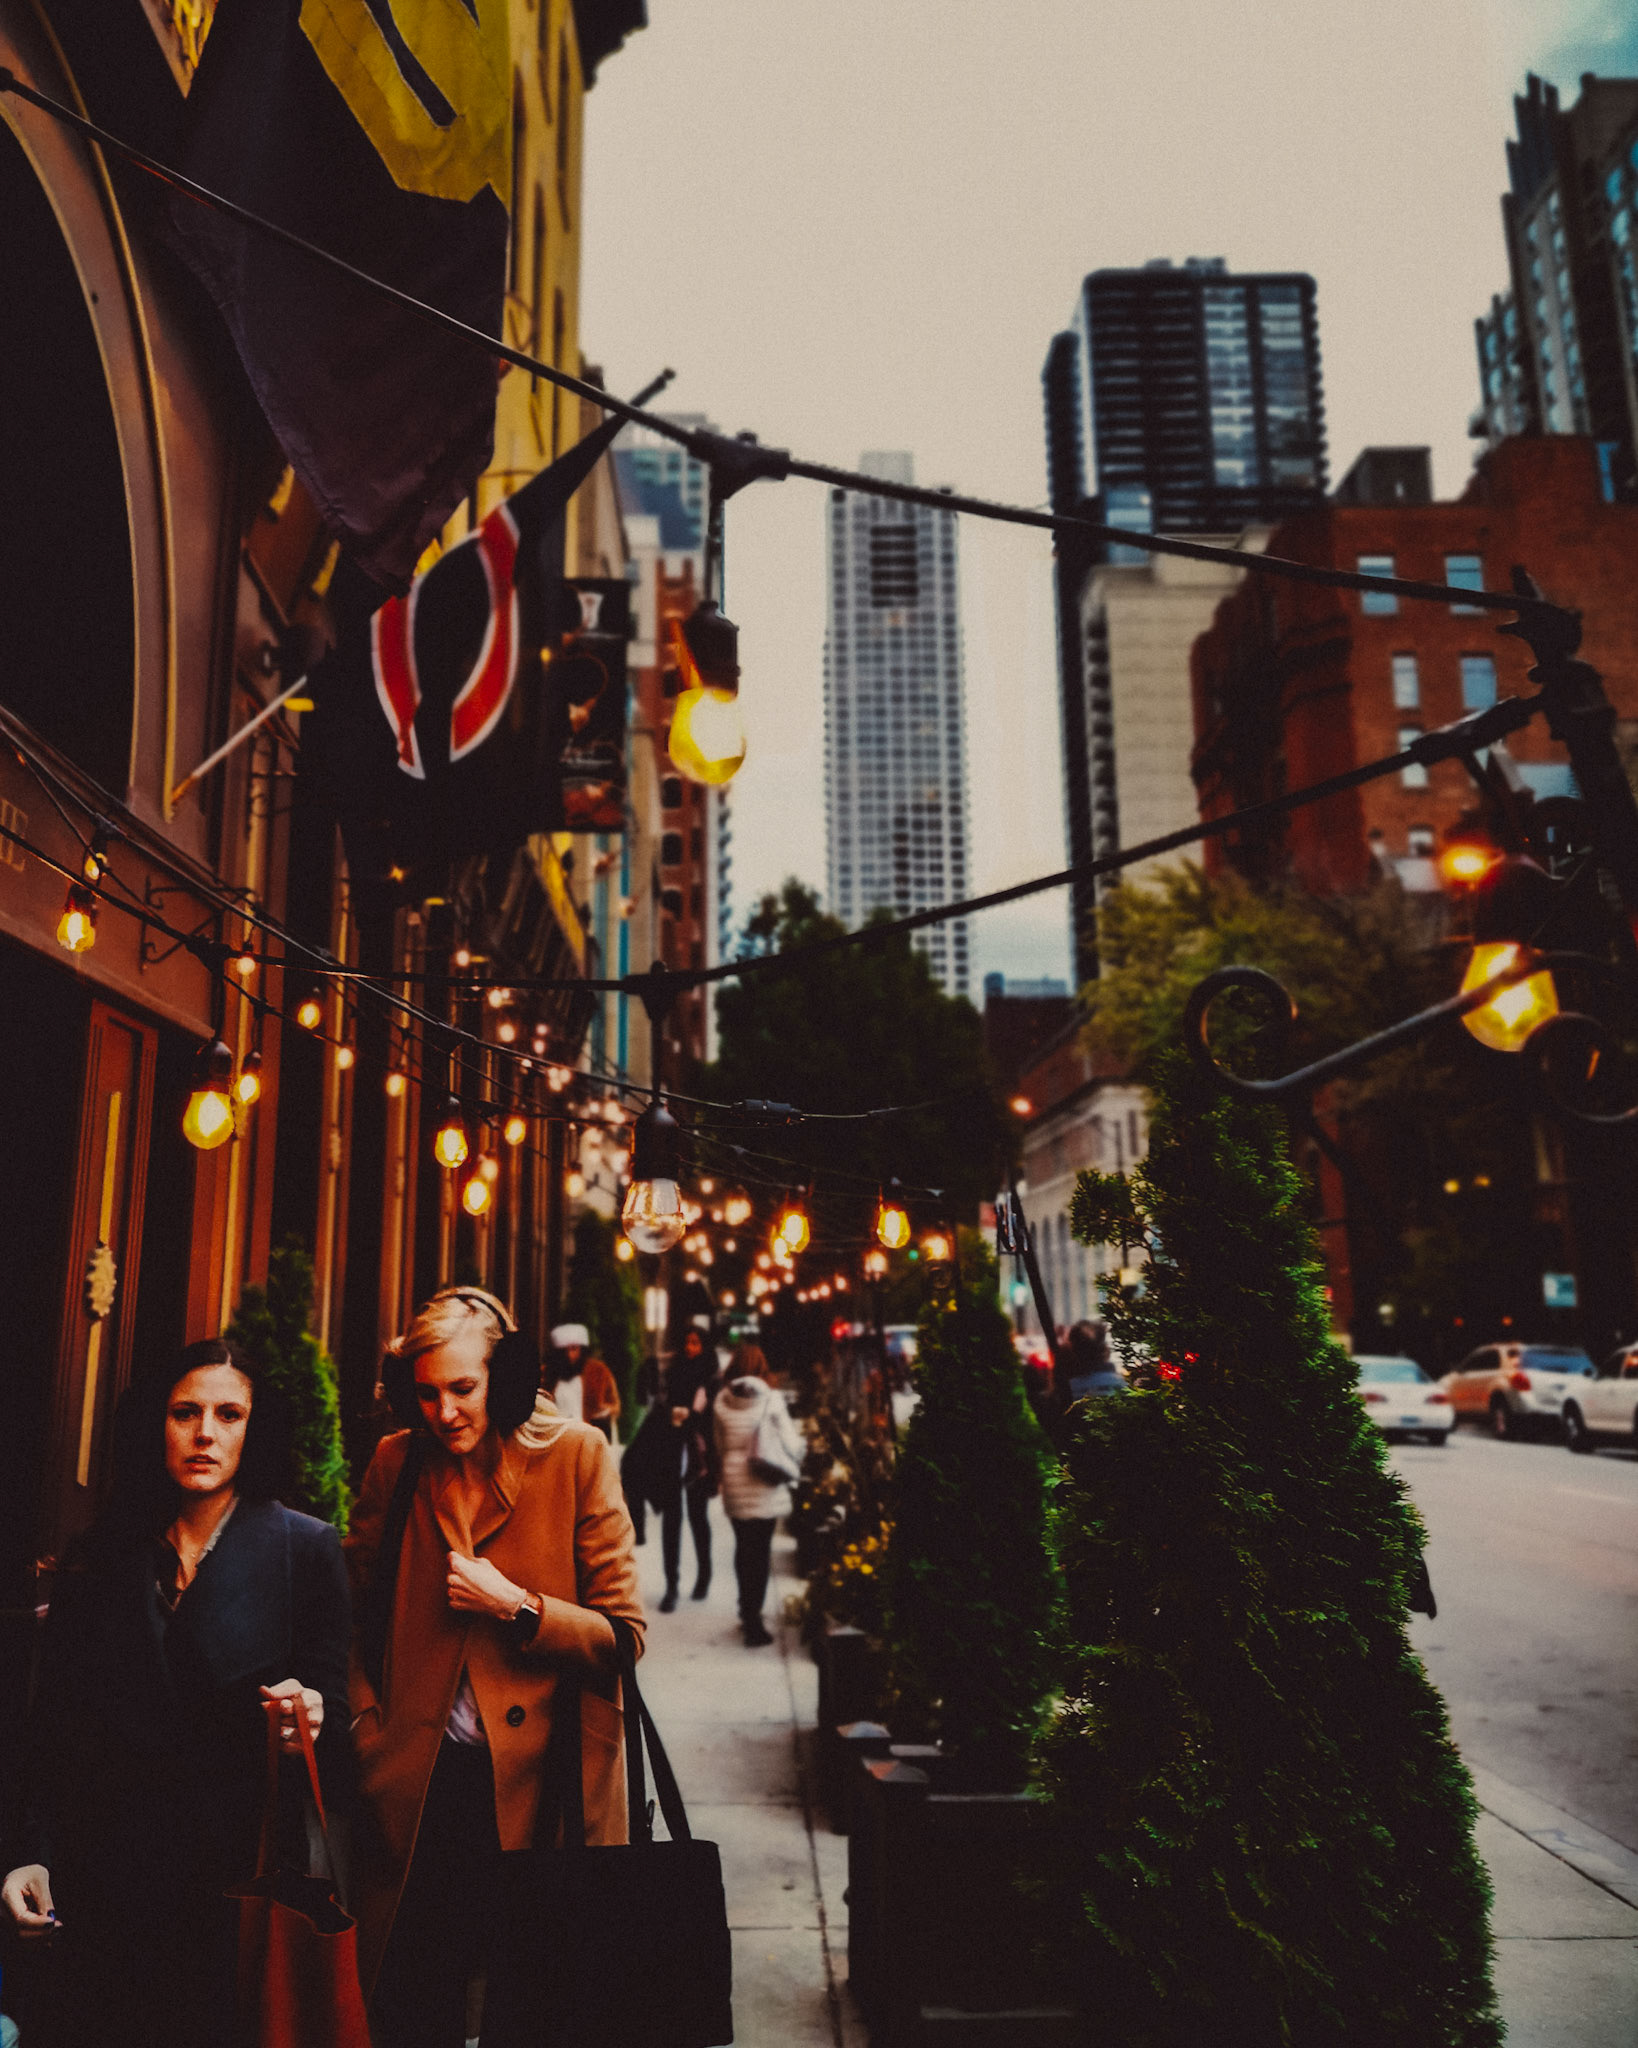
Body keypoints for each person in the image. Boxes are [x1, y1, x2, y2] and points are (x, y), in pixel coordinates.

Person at [1, 1338, 350, 2048]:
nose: (205, 1433)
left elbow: (337, 1721)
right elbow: (53, 1728)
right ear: (155, 1425)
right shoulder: (100, 1554)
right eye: (185, 1412)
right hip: (100, 1880)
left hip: (231, 1886)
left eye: (229, 1414)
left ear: (257, 1430)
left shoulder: (307, 1549)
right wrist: (27, 1853)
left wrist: (313, 1717)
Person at [346, 1286, 643, 2048]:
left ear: (507, 1378)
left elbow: (625, 1635)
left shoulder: (577, 1454)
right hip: (418, 1781)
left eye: (464, 1389)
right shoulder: (397, 1462)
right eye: (426, 1393)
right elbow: (352, 1606)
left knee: (538, 2003)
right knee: (413, 1998)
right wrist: (364, 1724)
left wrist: (520, 1607)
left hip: (550, 1790)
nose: (444, 1411)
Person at [714, 1355, 805, 1647]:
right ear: (761, 1370)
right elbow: (790, 1443)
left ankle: (746, 1612)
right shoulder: (772, 1401)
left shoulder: (721, 1402)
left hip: (735, 1482)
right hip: (765, 1482)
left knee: (744, 1548)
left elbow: (719, 1444)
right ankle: (755, 1622)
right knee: (760, 1552)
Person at [652, 1325, 718, 1613]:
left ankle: (704, 1576)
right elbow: (661, 1407)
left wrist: (692, 1416)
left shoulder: (711, 1379)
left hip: (698, 1457)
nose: (690, 1348)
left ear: (704, 1346)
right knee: (671, 1522)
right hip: (670, 1451)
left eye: (696, 1343)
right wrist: (672, 1415)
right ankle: (671, 1586)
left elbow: (713, 1422)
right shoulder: (673, 1373)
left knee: (698, 1517)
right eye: (687, 1343)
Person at [546, 1321, 621, 1440]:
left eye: (574, 1349)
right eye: (564, 1351)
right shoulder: (548, 1375)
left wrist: (604, 1410)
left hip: (587, 1438)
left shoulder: (598, 1371)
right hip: (557, 1439)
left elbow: (614, 1404)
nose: (569, 1355)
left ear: (582, 1350)